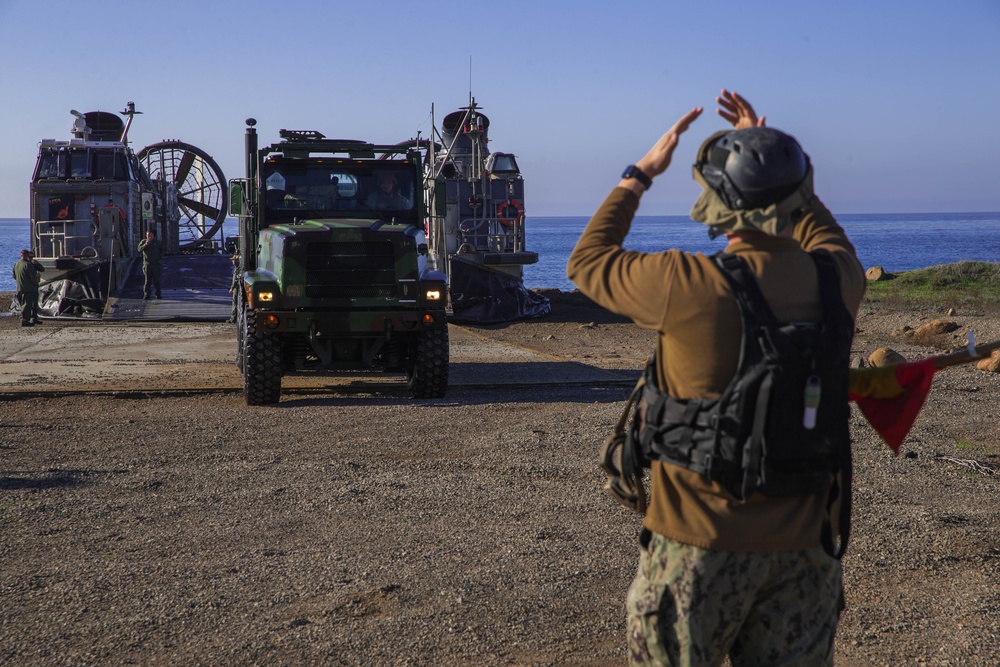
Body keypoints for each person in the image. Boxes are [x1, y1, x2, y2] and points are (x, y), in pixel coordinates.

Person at [567, 90, 866, 666]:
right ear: (799, 194)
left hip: (697, 551)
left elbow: (588, 261)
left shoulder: (688, 285)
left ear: (717, 200)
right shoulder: (841, 281)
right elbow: (823, 233)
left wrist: (640, 174)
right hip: (806, 552)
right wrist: (775, 157)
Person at [12, 249, 43, 326]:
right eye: (29, 256)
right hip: (29, 288)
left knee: (26, 304)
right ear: (26, 256)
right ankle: (25, 320)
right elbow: (33, 278)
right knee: (27, 304)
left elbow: (14, 276)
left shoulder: (16, 264)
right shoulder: (28, 265)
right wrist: (37, 279)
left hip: (20, 287)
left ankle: (32, 318)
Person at [138, 229, 164, 300]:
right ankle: (147, 294)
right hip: (147, 264)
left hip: (156, 264)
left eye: (151, 235)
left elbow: (163, 250)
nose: (149, 237)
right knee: (147, 280)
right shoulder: (143, 242)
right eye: (148, 235)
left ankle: (158, 294)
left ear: (153, 236)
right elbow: (139, 249)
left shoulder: (157, 243)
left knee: (157, 280)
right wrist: (146, 244)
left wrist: (160, 256)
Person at [228, 252, 240, 323]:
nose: (232, 261)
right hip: (237, 287)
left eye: (233, 260)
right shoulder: (238, 268)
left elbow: (235, 280)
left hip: (236, 288)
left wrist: (232, 288)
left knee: (235, 303)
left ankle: (233, 318)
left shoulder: (237, 269)